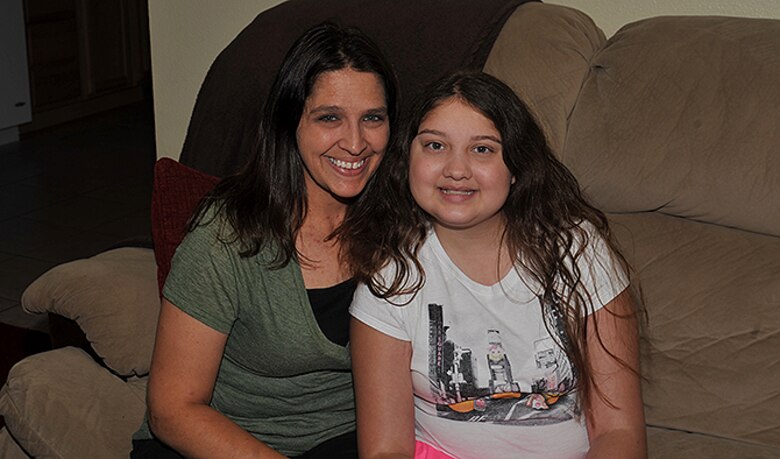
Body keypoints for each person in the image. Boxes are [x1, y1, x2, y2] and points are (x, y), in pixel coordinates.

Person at [344, 71, 646, 458]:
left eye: (482, 149)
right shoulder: (390, 274)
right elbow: (386, 449)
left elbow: (618, 432)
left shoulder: (578, 248)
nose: (456, 169)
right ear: (407, 160)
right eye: (435, 145)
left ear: (516, 166)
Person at [132, 22, 398, 458]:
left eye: (372, 118)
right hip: (219, 445)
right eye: (329, 117)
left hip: (347, 442)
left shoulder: (404, 227)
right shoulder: (226, 235)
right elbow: (172, 409)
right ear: (290, 122)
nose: (355, 143)